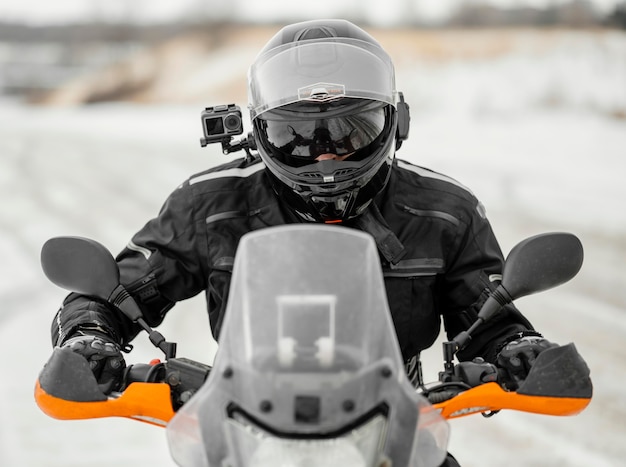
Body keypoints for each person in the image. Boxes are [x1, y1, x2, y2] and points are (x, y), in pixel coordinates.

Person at [50, 19, 558, 466]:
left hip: (390, 424)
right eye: (298, 138)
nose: (325, 158)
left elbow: (488, 310)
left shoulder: (442, 210)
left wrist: (518, 347)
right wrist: (89, 336)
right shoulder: (213, 203)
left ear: (395, 122)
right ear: (258, 133)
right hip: (244, 422)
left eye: (350, 134)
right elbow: (115, 291)